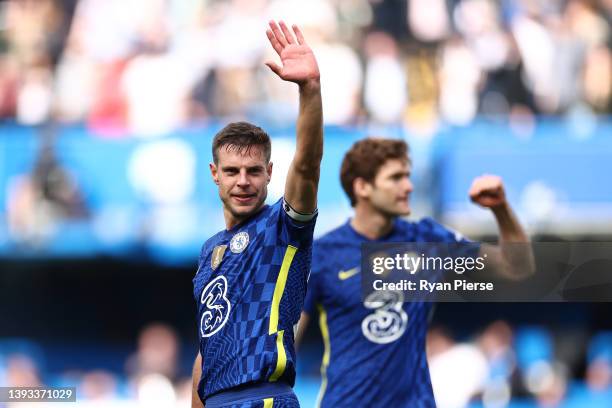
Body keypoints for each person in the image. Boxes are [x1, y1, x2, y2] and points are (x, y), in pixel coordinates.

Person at [298, 138, 534, 407]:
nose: (408, 186)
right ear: (362, 187)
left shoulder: (428, 239)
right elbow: (286, 342)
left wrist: (500, 208)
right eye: (396, 178)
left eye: (407, 176)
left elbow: (516, 267)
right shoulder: (324, 254)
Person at [191, 21, 322, 408]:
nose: (243, 181)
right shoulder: (208, 252)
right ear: (215, 175)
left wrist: (310, 90)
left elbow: (309, 164)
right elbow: (207, 351)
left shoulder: (283, 227)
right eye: (232, 171)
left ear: (269, 173)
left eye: (253, 171)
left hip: (264, 398)